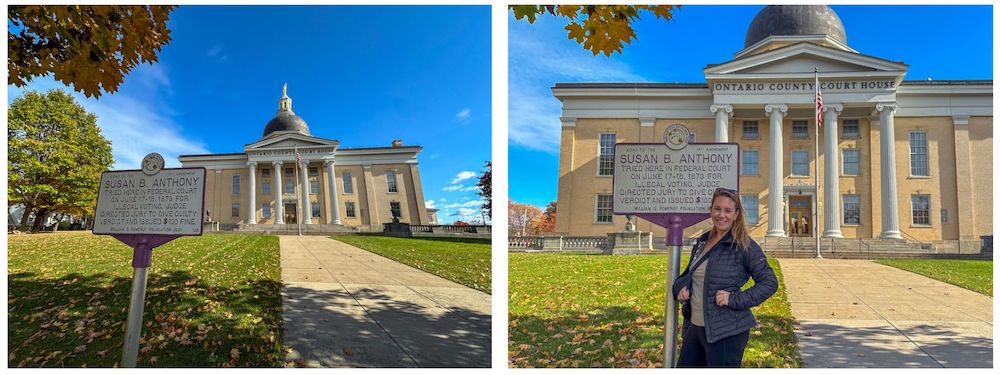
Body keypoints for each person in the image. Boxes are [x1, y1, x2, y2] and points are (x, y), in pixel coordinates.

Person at [672, 187, 778, 367]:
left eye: (728, 210)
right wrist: (680, 289)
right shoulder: (703, 241)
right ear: (711, 210)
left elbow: (769, 283)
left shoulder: (744, 245)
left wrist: (733, 299)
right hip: (695, 328)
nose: (722, 215)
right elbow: (688, 275)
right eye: (717, 209)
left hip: (726, 332)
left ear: (736, 214)